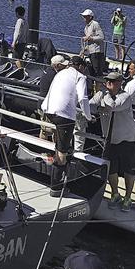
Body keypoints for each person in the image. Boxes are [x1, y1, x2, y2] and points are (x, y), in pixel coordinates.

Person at [39, 54, 91, 196]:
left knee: (58, 145)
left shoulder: (61, 73)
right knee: (62, 152)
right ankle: (56, 188)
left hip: (49, 110)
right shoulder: (80, 77)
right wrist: (89, 116)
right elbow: (83, 98)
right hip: (64, 115)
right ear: (81, 67)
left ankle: (51, 173)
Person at [91, 72, 135, 212]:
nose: (109, 83)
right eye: (107, 80)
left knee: (129, 170)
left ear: (119, 83)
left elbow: (113, 106)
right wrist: (99, 103)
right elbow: (90, 106)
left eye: (112, 81)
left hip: (128, 138)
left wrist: (104, 96)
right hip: (110, 139)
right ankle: (115, 193)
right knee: (111, 169)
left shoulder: (125, 97)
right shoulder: (101, 94)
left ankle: (128, 197)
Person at [80, 9, 105, 77]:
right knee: (93, 70)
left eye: (85, 16)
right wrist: (83, 50)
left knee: (97, 71)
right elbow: (89, 41)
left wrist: (91, 38)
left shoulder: (95, 24)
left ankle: (98, 84)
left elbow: (102, 37)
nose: (84, 18)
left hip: (97, 51)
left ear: (90, 17)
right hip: (91, 51)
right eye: (83, 16)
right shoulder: (86, 28)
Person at [11, 6, 28, 71]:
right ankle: (23, 70)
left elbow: (17, 33)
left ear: (17, 13)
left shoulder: (19, 21)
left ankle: (21, 71)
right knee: (20, 58)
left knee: (16, 58)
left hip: (19, 42)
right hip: (23, 42)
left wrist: (14, 43)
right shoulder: (25, 21)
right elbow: (27, 32)